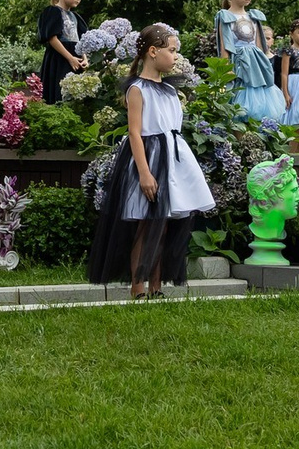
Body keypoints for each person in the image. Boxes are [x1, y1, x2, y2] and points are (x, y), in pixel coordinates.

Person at [85, 24, 213, 298]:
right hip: (150, 158)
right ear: (153, 52)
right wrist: (144, 172)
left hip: (173, 159)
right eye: (172, 50)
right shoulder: (137, 89)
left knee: (164, 223)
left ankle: (157, 285)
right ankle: (138, 285)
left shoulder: (169, 90)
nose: (176, 56)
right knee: (147, 224)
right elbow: (134, 132)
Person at [217, 0, 286, 127]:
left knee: (259, 107)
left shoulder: (253, 16)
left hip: (256, 66)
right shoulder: (226, 16)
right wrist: (226, 70)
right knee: (239, 107)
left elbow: (260, 46)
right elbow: (224, 47)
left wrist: (265, 66)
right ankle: (240, 146)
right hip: (239, 65)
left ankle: (255, 146)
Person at [37, 0, 87, 103]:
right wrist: (70, 58)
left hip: (77, 61)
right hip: (59, 60)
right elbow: (52, 38)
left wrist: (85, 58)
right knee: (59, 93)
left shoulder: (76, 17)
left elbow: (83, 40)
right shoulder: (52, 12)